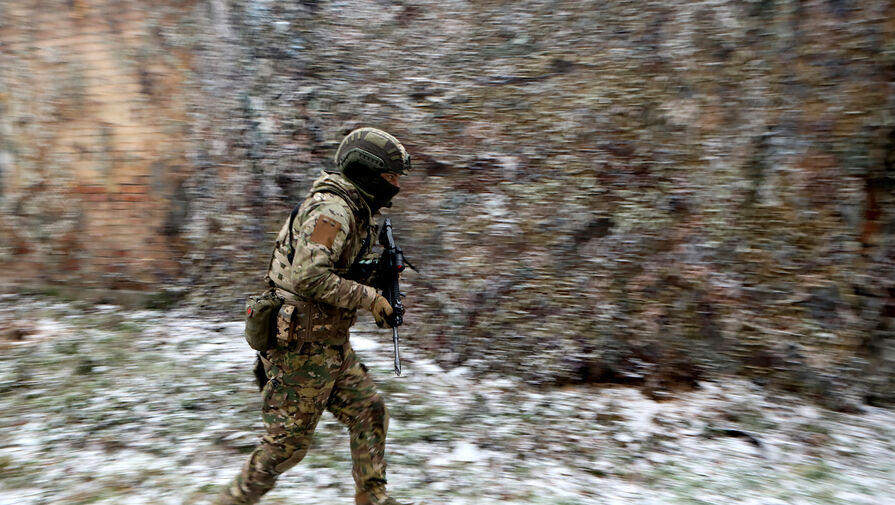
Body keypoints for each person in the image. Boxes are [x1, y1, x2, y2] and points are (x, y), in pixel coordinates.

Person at [213, 127, 411, 505]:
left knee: (369, 412)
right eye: (390, 176)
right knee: (284, 449)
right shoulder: (332, 212)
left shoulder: (355, 209)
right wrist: (370, 299)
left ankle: (372, 498)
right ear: (367, 172)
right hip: (300, 349)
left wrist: (377, 277)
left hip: (329, 344)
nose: (396, 185)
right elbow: (309, 277)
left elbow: (334, 271)